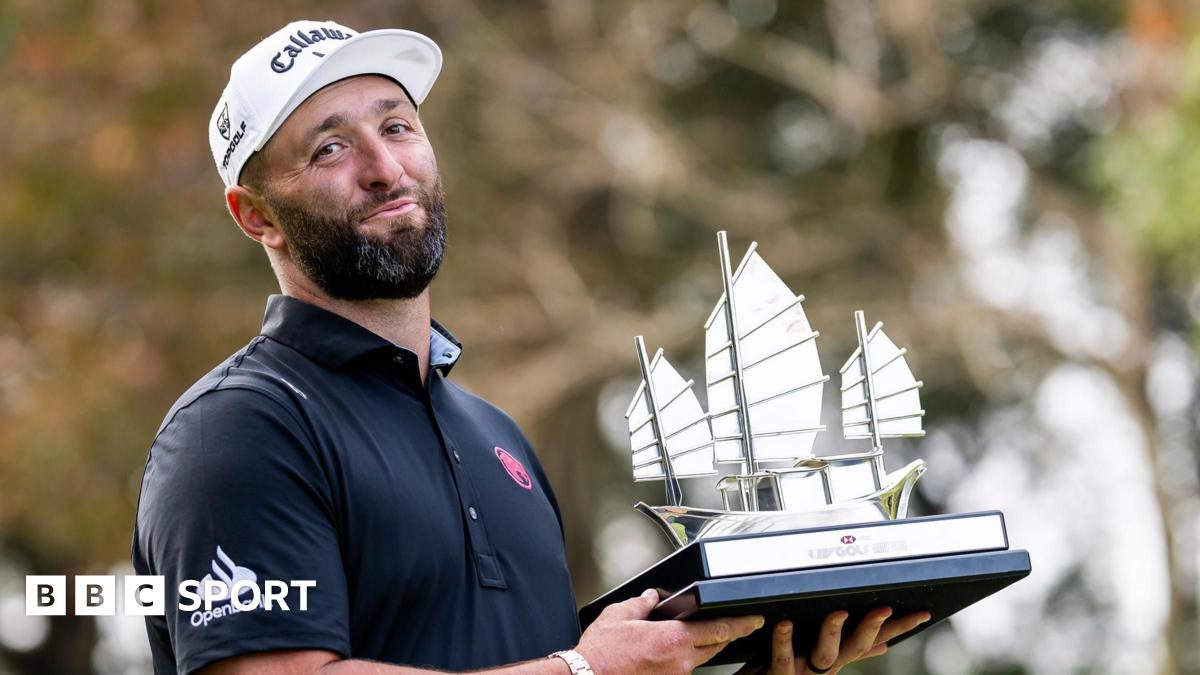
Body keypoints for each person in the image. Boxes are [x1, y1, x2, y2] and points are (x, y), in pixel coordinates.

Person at [132, 19, 929, 675]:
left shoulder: (498, 437)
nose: (384, 167)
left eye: (397, 126)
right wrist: (586, 668)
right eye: (330, 149)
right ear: (256, 215)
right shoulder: (234, 431)